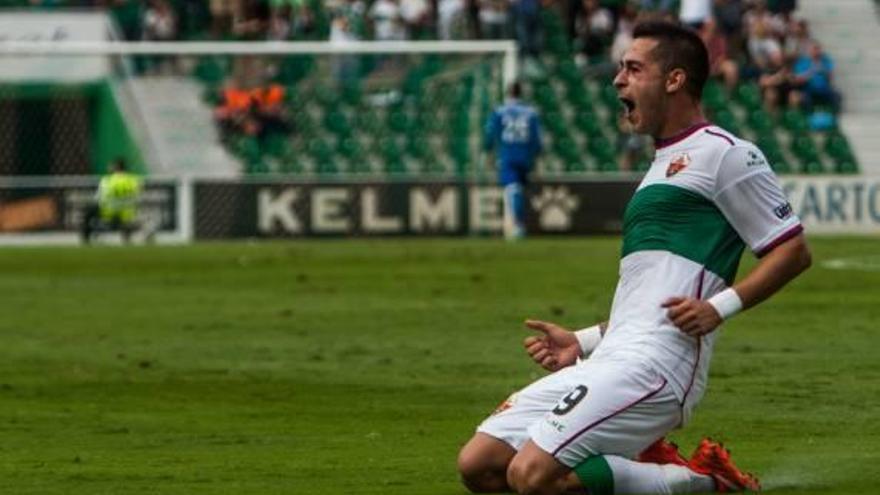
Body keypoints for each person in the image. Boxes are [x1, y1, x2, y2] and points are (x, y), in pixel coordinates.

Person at [458, 20, 812, 494]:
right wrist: (579, 342)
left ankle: (703, 483)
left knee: (531, 475)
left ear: (674, 79)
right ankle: (649, 467)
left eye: (632, 68)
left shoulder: (726, 154)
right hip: (610, 357)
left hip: (658, 366)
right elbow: (648, 301)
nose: (617, 79)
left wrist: (719, 307)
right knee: (479, 464)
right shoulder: (660, 165)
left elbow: (793, 250)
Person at [484, 82, 543, 240]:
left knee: (513, 189)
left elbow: (490, 134)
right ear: (520, 93)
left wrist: (489, 152)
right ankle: (520, 224)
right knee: (520, 190)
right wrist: (536, 156)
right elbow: (537, 139)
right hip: (525, 156)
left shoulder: (499, 111)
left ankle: (518, 226)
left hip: (508, 155)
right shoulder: (531, 112)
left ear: (507, 93)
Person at [81, 158, 143, 245]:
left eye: (111, 166)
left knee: (89, 210)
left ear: (115, 167)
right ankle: (127, 235)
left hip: (108, 213)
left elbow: (99, 198)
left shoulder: (107, 180)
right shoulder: (134, 180)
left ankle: (86, 239)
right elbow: (138, 197)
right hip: (128, 213)